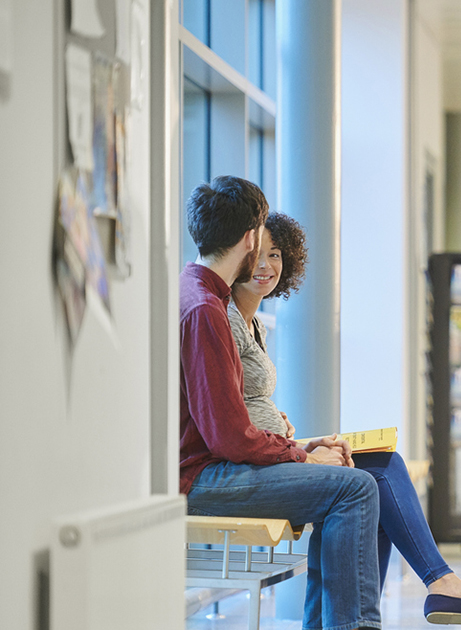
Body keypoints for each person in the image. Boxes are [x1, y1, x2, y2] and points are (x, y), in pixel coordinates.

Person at [227, 212, 461, 627]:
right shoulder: (221, 317)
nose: (267, 266)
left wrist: (286, 430)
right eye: (258, 254)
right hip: (250, 468)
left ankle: (439, 585)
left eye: (276, 255)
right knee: (367, 485)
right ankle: (438, 585)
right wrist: (298, 451)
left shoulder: (253, 321)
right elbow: (223, 417)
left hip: (271, 453)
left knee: (382, 464)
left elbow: (239, 399)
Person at [178, 176, 382, 630]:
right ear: (251, 238)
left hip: (204, 466)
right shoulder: (206, 311)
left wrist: (302, 453)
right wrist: (301, 455)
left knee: (353, 483)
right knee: (356, 488)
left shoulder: (195, 294)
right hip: (202, 477)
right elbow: (228, 437)